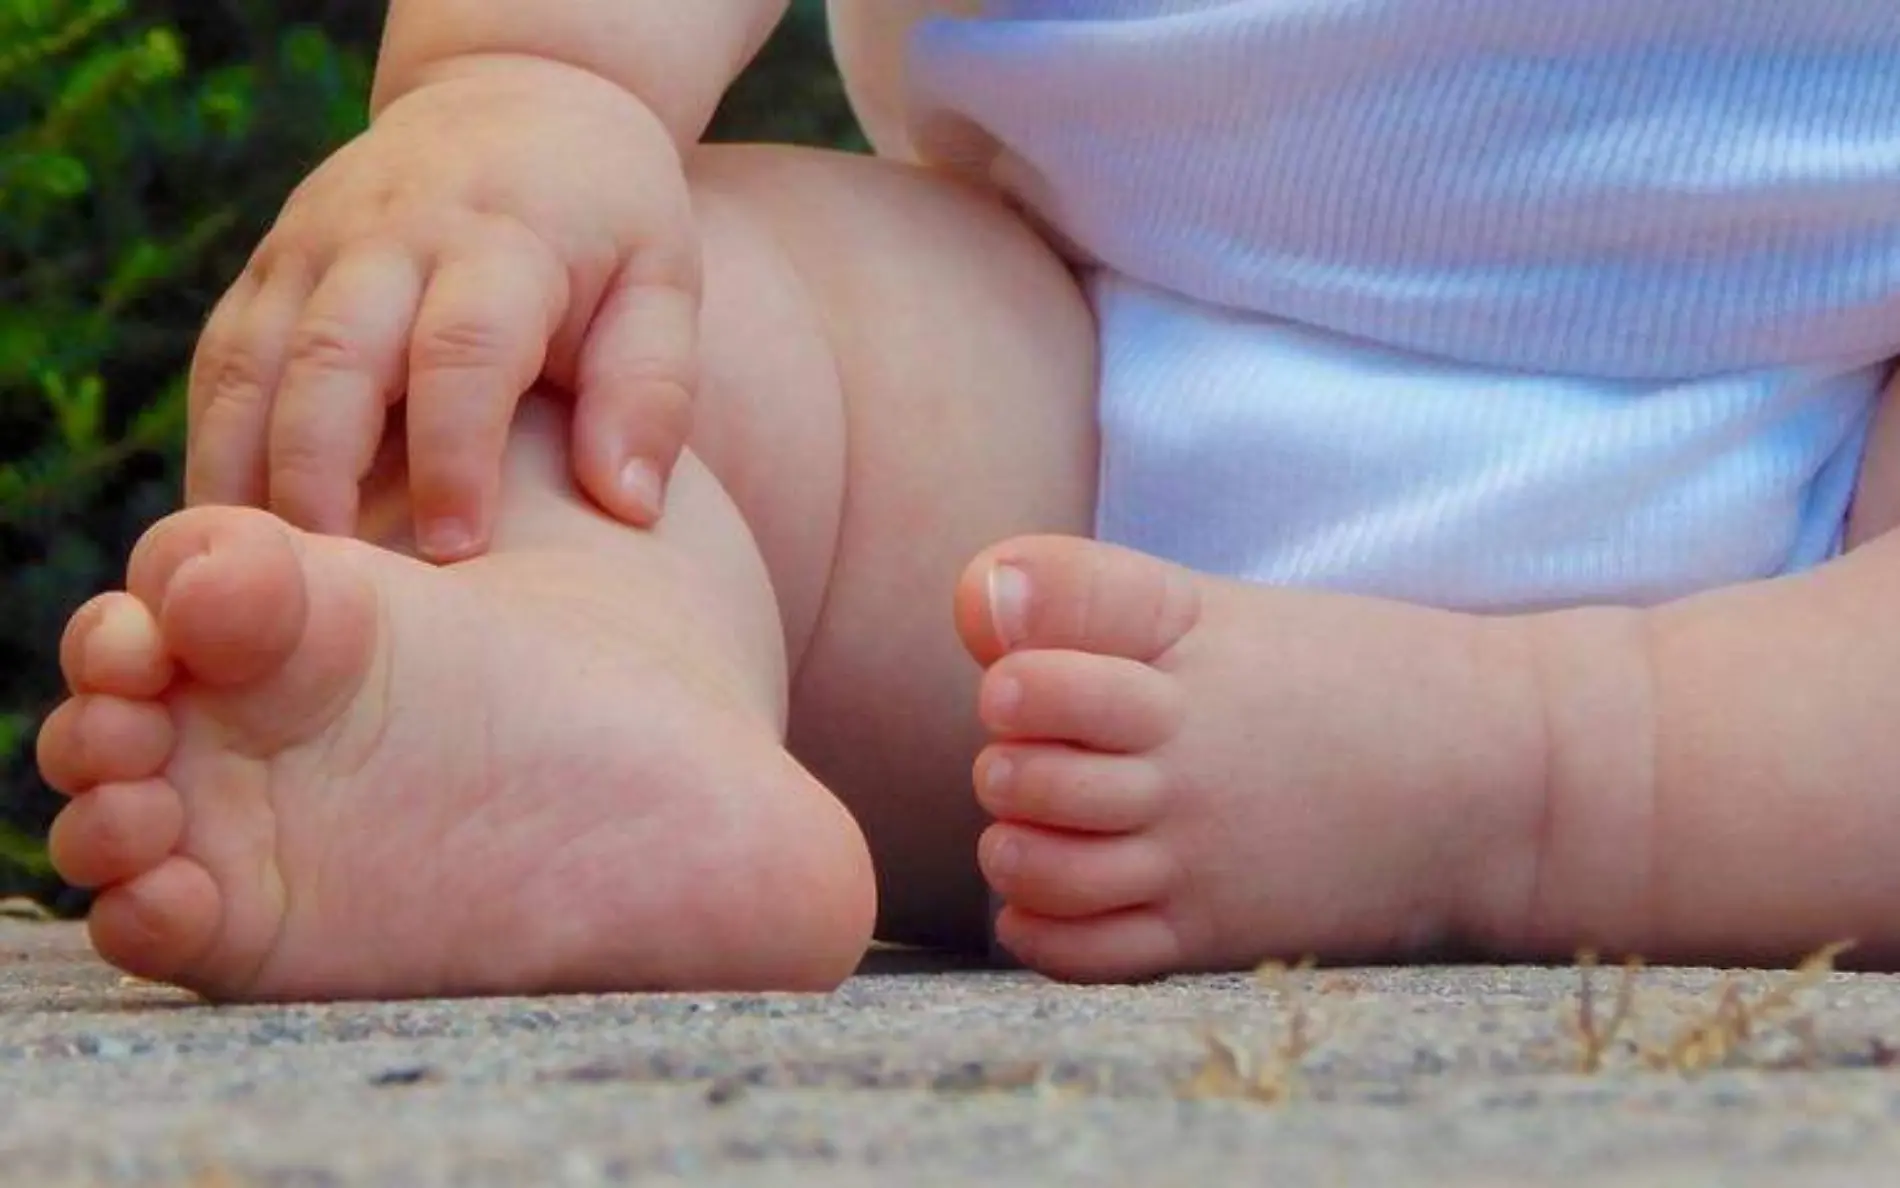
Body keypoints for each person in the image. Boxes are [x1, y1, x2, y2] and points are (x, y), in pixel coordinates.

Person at [32, 0, 1900, 1001]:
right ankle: (597, 680)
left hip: (1835, 463)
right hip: (1055, 398)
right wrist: (533, 83)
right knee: (603, 324)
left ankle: (1521, 773)